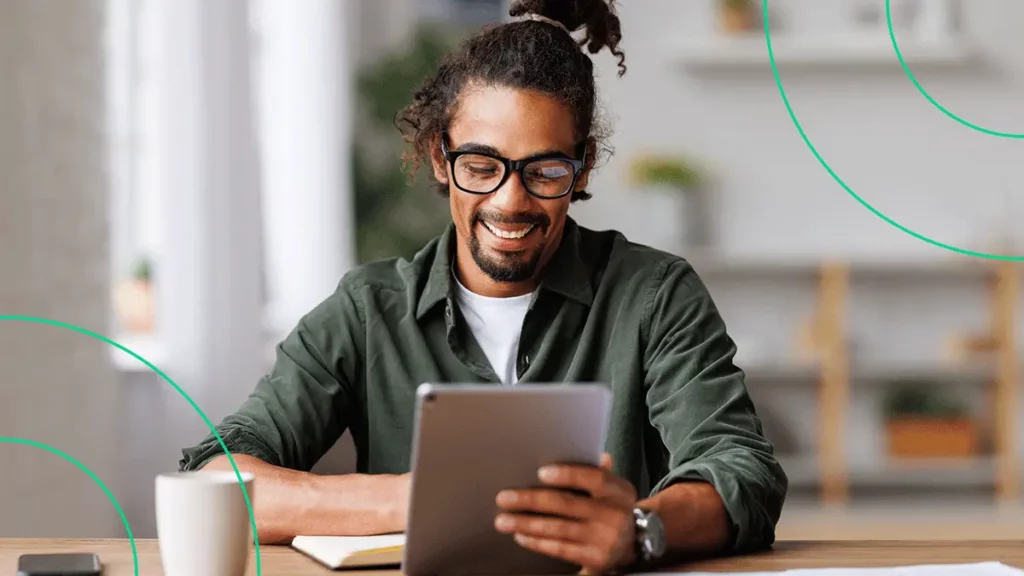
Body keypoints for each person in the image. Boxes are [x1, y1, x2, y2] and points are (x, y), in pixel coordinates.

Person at [179, 0, 787, 572]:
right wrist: (421, 499)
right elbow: (216, 477)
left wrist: (638, 527)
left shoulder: (654, 295)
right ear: (441, 160)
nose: (510, 201)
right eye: (481, 166)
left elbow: (742, 472)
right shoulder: (368, 310)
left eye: (545, 170)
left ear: (584, 167)